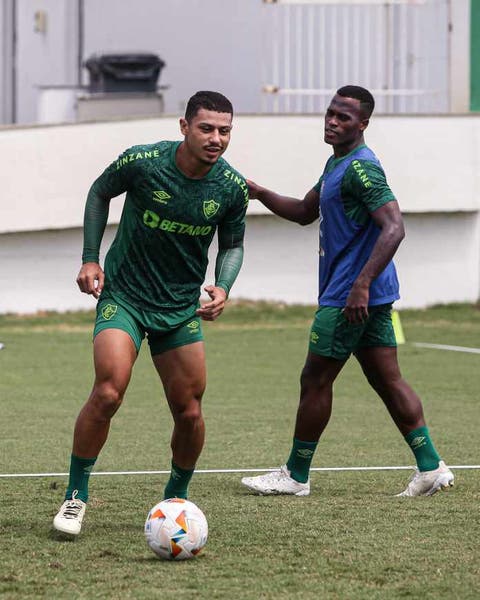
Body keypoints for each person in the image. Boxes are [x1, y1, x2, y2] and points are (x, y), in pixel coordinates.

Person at [241, 85, 454, 498]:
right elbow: (305, 211)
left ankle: (296, 475)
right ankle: (430, 467)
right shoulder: (336, 164)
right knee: (387, 379)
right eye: (330, 114)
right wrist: (260, 191)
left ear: (363, 124)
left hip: (350, 297)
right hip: (369, 296)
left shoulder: (362, 168)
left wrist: (360, 284)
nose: (332, 122)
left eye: (343, 118)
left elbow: (394, 227)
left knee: (315, 379)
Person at [53, 91, 249, 536]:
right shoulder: (143, 161)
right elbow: (99, 191)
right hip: (124, 297)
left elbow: (233, 244)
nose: (216, 138)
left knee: (190, 412)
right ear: (184, 127)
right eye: (206, 128)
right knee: (108, 391)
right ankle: (75, 498)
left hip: (180, 309)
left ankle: (176, 497)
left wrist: (224, 284)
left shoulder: (231, 188)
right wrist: (90, 257)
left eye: (224, 130)